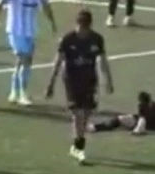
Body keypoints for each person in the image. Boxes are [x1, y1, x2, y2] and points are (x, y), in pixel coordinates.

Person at [45, 9, 113, 165]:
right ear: (77, 24)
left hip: (89, 80)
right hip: (72, 81)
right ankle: (79, 147)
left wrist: (108, 81)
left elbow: (102, 61)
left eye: (85, 27)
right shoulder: (67, 40)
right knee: (78, 113)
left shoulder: (97, 39)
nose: (82, 30)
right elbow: (58, 61)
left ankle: (77, 142)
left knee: (87, 113)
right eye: (81, 26)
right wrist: (51, 83)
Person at [0, 0, 57, 106]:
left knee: (23, 61)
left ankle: (14, 91)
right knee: (24, 59)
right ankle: (22, 94)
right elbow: (1, 2)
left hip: (30, 30)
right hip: (15, 30)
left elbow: (45, 4)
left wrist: (52, 22)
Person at [89, 91, 155, 135]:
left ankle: (95, 127)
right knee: (118, 120)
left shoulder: (145, 106)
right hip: (139, 121)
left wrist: (138, 128)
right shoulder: (144, 106)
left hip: (143, 123)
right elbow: (142, 117)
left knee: (118, 120)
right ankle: (96, 127)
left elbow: (143, 119)